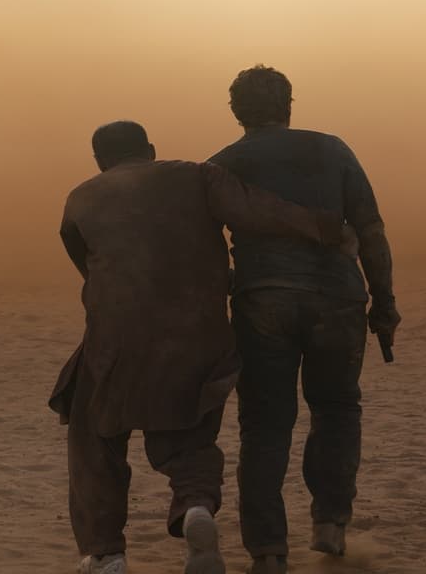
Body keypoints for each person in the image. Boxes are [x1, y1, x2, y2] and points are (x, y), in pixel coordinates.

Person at [51, 119, 345, 574]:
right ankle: (195, 508)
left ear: (99, 161)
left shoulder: (80, 198)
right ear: (151, 148)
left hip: (115, 340)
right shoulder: (198, 176)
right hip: (197, 335)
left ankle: (106, 552)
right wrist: (327, 228)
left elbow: (89, 267)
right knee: (189, 438)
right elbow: (260, 211)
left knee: (95, 439)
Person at [208, 65, 398, 570]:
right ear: (289, 105)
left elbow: (200, 249)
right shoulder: (332, 150)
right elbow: (371, 230)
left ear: (236, 112)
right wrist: (384, 303)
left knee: (264, 424)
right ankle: (331, 523)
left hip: (262, 302)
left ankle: (268, 550)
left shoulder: (222, 165)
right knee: (337, 409)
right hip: (338, 298)